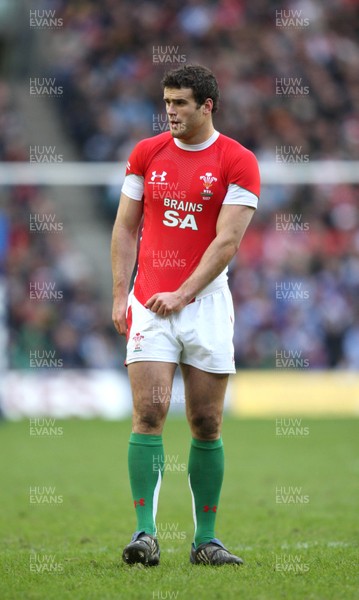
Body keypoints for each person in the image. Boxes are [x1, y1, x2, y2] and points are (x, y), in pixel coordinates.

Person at [111, 64, 260, 566]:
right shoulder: (145, 154)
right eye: (166, 101)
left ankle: (206, 541)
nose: (169, 111)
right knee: (149, 414)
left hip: (206, 306)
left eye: (180, 103)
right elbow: (126, 228)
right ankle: (145, 534)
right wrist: (119, 294)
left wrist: (185, 292)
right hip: (150, 302)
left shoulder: (237, 162)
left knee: (206, 421)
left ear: (207, 106)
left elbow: (228, 241)